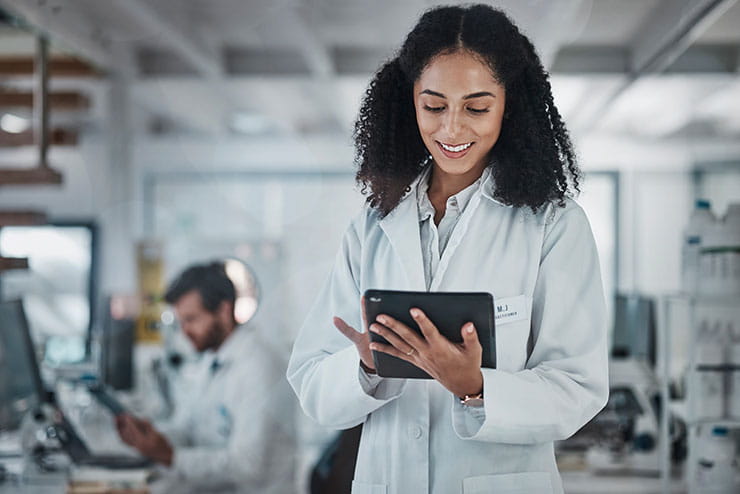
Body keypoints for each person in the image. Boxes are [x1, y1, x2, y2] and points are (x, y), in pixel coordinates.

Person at [287, 4, 608, 494]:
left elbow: (579, 387)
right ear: (408, 102)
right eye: (433, 106)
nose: (452, 130)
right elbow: (312, 382)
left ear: (509, 106)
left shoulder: (553, 225)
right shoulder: (371, 228)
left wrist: (476, 387)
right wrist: (367, 368)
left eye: (476, 108)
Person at [116, 262, 296, 494]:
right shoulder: (210, 358)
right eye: (181, 322)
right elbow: (188, 429)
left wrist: (170, 456)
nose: (184, 332)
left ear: (223, 310)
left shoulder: (259, 367)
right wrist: (152, 437)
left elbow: (247, 467)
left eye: (191, 320)